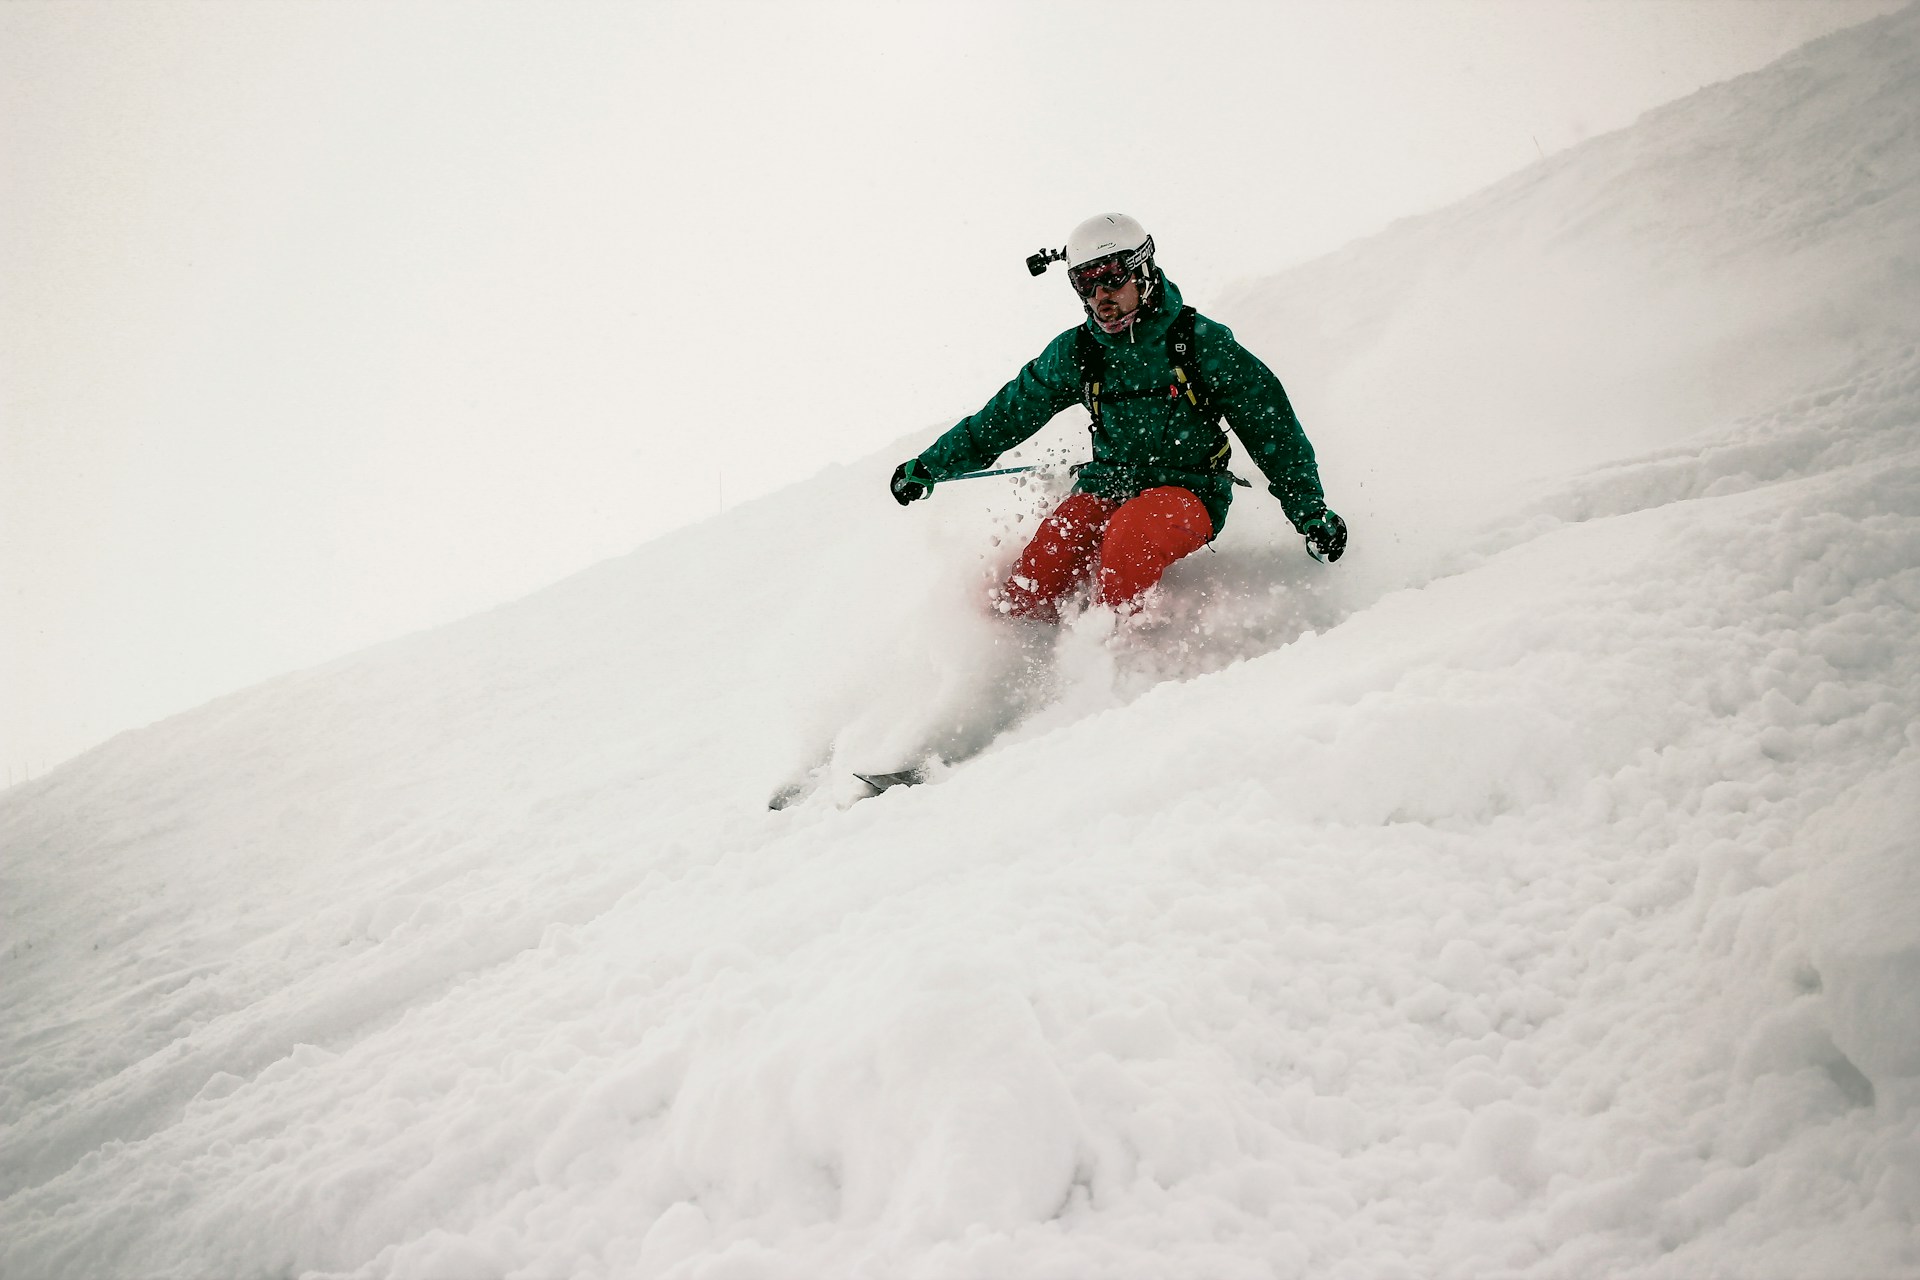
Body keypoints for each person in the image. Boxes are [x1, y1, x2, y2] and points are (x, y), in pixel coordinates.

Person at [890, 212, 1345, 623]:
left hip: (1191, 491)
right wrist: (932, 465)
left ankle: (1116, 658)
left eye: (1110, 278)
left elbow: (1271, 428)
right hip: (1108, 483)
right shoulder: (1079, 352)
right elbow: (1006, 415)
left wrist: (1309, 511)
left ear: (1143, 271)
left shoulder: (1198, 342)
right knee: (1047, 560)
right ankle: (1020, 651)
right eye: (1084, 284)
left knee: (1131, 536)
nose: (1099, 296)